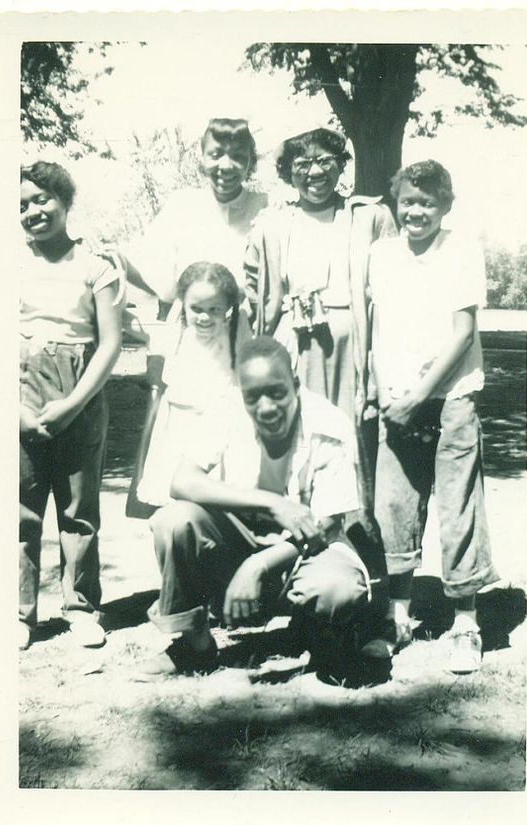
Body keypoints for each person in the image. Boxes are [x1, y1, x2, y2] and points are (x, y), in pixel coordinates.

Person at [140, 336, 388, 681]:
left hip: (306, 551)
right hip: (242, 538)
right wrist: (273, 503)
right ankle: (194, 647)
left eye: (277, 392)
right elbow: (182, 482)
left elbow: (328, 524)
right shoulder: (225, 410)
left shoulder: (329, 423)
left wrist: (257, 565)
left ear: (296, 385)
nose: (267, 407)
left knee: (336, 589)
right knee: (173, 520)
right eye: (253, 396)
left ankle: (321, 636)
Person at [367, 159, 499, 673]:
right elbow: (377, 329)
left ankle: (467, 622)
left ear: (445, 206)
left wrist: (421, 394)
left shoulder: (461, 249)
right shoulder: (381, 254)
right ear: (396, 206)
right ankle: (397, 615)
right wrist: (382, 392)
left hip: (450, 397)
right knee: (394, 506)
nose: (416, 211)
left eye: (427, 202)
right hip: (397, 400)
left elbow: (463, 332)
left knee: (457, 506)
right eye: (408, 202)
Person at [244, 126, 397, 515]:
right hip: (293, 346)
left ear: (341, 164)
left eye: (325, 161)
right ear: (288, 172)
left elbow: (392, 289)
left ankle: (354, 536)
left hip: (352, 349)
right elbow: (253, 290)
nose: (315, 172)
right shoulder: (272, 224)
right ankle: (292, 530)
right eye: (303, 164)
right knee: (296, 433)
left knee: (352, 436)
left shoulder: (368, 216)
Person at [19, 161, 125, 650]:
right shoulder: (6, 264)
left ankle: (82, 607)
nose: (33, 211)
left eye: (41, 200)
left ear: (65, 202)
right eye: (22, 205)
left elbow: (109, 344)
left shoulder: (95, 265)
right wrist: (15, 410)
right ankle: (20, 614)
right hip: (20, 388)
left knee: (78, 508)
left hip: (80, 391)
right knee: (21, 508)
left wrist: (73, 405)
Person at [135, 261, 249, 510]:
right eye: (196, 308)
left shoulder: (235, 333)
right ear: (183, 305)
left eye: (214, 309)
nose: (205, 317)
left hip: (218, 427)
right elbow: (140, 330)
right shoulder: (179, 331)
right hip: (179, 425)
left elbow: (242, 379)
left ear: (228, 308)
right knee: (171, 499)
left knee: (211, 501)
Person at [126, 117, 268, 307]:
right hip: (191, 325)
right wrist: (120, 263)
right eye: (216, 155)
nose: (226, 166)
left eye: (238, 156)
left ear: (250, 161)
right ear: (202, 156)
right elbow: (159, 282)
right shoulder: (181, 205)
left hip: (247, 327)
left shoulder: (266, 208)